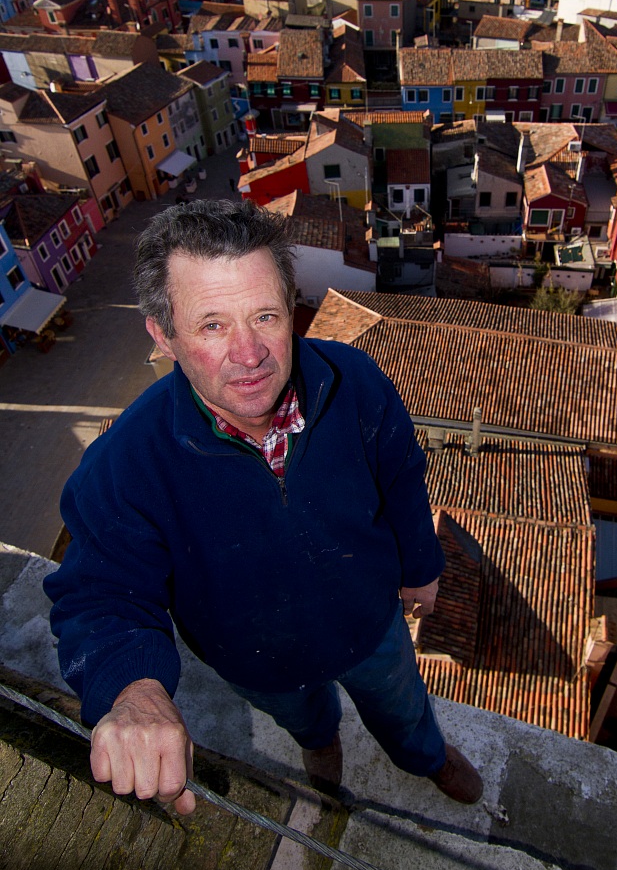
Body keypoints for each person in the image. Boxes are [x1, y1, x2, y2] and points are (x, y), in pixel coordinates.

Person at [45, 200, 483, 815]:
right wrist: (134, 689)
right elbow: (100, 591)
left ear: (292, 309)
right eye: (213, 325)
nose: (250, 355)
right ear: (162, 333)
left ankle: (425, 758)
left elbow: (403, 478)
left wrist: (420, 564)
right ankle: (320, 747)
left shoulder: (352, 380)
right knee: (304, 719)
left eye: (265, 316)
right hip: (256, 659)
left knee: (404, 709)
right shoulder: (126, 465)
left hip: (370, 623)